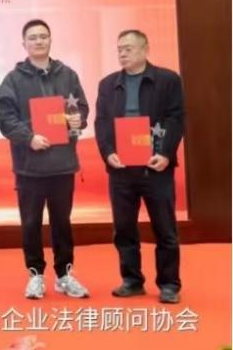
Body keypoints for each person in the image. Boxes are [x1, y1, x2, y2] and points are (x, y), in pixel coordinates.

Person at [0, 19, 90, 299]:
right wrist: (29, 137)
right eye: (33, 37)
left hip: (62, 164)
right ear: (24, 44)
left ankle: (64, 274)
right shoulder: (13, 80)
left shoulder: (68, 75)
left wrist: (78, 119)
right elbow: (6, 119)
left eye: (43, 36)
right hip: (30, 167)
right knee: (30, 223)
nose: (38, 41)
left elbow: (81, 108)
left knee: (62, 222)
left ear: (50, 40)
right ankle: (35, 274)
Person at [94, 30, 185, 304]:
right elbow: (101, 122)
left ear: (145, 50)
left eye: (129, 48)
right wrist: (108, 153)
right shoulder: (108, 84)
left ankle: (169, 284)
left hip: (156, 167)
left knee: (165, 229)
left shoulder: (168, 80)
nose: (122, 53)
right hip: (121, 169)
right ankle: (132, 280)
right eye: (119, 49)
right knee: (123, 229)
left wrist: (166, 153)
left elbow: (176, 118)